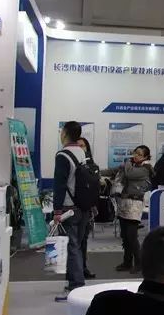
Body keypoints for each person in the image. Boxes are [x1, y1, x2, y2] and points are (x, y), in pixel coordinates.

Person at [102, 146, 154, 274]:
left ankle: (139, 262)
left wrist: (127, 162)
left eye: (139, 154)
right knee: (125, 236)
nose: (135, 156)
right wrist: (97, 172)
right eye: (135, 153)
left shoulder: (145, 169)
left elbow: (130, 174)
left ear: (146, 157)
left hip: (134, 204)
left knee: (131, 236)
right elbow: (114, 171)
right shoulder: (129, 165)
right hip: (123, 203)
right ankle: (127, 262)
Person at [53, 121, 91, 296]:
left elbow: (59, 185)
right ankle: (72, 282)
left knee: (72, 246)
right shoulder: (82, 152)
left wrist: (57, 211)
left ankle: (77, 285)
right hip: (83, 207)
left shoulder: (63, 155)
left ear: (65, 133)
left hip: (68, 208)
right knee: (77, 245)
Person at [76, 137, 97, 280]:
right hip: (72, 208)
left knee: (83, 240)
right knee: (75, 242)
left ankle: (83, 268)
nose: (80, 148)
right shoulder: (70, 163)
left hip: (86, 209)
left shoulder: (92, 166)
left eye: (82, 146)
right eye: (77, 146)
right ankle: (75, 270)